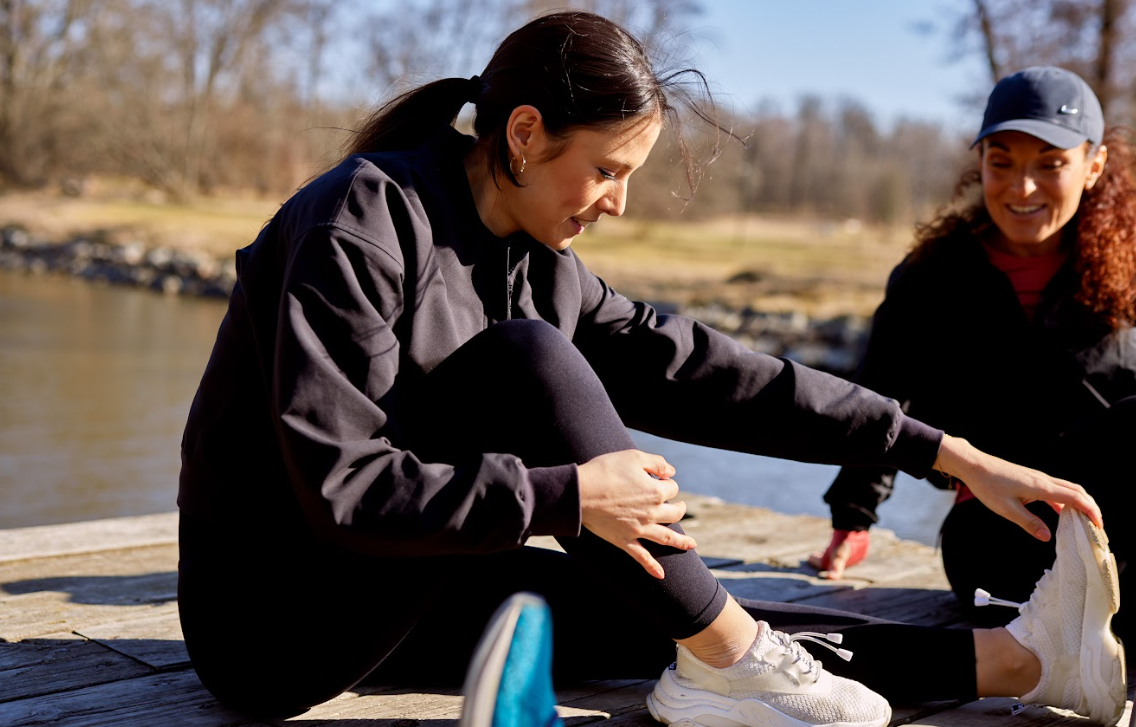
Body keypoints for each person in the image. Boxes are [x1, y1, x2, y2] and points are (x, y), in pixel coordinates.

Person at [176, 15, 1126, 727]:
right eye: (606, 170)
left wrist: (949, 455)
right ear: (522, 133)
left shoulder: (537, 264)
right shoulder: (362, 223)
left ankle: (1019, 663)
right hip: (271, 629)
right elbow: (339, 489)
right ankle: (735, 662)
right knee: (531, 365)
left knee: (675, 614)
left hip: (398, 581)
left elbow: (713, 373)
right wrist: (565, 497)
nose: (620, 203)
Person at [811, 66, 1135, 640]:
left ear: (1094, 166)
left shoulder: (1128, 272)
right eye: (1002, 161)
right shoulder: (932, 277)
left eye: (1050, 164)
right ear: (979, 163)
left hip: (1115, 530)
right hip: (1000, 540)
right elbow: (879, 399)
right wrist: (853, 519)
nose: (1022, 188)